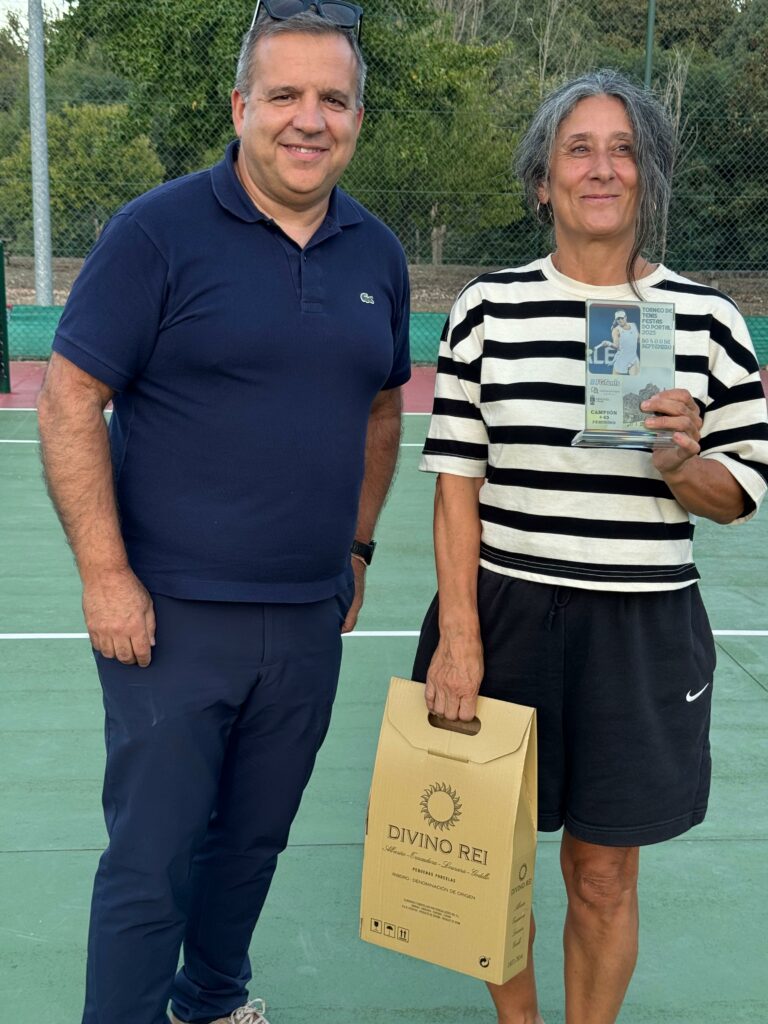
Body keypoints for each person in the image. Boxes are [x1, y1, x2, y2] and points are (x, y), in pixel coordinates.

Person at [36, 5, 409, 1024]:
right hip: (169, 618)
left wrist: (357, 546)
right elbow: (69, 399)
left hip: (307, 617)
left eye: (332, 99)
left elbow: (384, 406)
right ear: (240, 105)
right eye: (284, 94)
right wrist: (106, 576)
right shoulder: (156, 231)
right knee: (151, 859)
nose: (308, 119)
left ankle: (210, 1000)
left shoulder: (377, 253)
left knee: (251, 843)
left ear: (358, 118)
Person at [412, 69, 768, 1024]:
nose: (602, 168)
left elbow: (739, 496)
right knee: (486, 861)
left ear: (649, 177)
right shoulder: (486, 308)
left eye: (624, 151)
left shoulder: (710, 321)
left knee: (604, 875)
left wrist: (681, 460)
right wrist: (460, 637)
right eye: (579, 149)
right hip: (504, 616)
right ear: (543, 181)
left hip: (642, 626)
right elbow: (456, 486)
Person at [610, 309, 639, 374]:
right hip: (621, 360)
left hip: (633, 358)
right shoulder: (616, 330)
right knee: (615, 380)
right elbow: (616, 346)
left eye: (622, 318)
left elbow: (638, 339)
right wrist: (608, 344)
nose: (620, 320)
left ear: (626, 317)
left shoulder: (633, 325)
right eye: (618, 318)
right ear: (616, 320)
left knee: (635, 379)